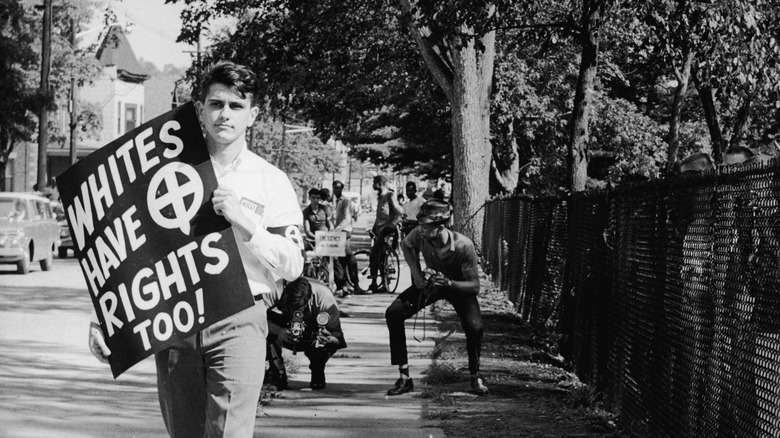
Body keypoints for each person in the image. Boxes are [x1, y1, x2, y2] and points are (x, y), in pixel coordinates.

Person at [87, 61, 305, 438]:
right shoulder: (166, 171)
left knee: (229, 434)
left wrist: (247, 224)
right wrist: (108, 320)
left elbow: (293, 264)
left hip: (239, 317)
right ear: (201, 109)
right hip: (176, 319)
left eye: (236, 106)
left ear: (253, 115)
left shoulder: (270, 180)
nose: (225, 114)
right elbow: (132, 250)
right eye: (216, 104)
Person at [385, 199, 489, 396]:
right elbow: (406, 245)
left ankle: (475, 376)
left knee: (475, 327)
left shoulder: (463, 246)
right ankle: (404, 377)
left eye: (425, 225)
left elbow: (474, 286)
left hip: (457, 287)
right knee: (394, 313)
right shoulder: (420, 234)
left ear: (441, 226)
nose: (420, 229)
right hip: (431, 284)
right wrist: (416, 275)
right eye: (420, 224)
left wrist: (449, 283)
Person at [264, 277, 347, 390]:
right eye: (292, 306)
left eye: (300, 307)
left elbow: (337, 335)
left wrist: (329, 340)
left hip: (312, 328)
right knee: (264, 327)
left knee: (323, 342)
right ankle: (277, 373)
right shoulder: (274, 289)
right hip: (284, 325)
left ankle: (318, 370)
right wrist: (278, 331)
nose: (296, 311)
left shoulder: (324, 297)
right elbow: (254, 316)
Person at [367, 175, 403, 294]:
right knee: (380, 256)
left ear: (379, 184)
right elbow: (380, 216)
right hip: (379, 229)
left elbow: (399, 211)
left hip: (387, 229)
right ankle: (383, 281)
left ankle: (373, 282)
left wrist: (392, 224)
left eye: (374, 182)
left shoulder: (389, 195)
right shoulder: (380, 196)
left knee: (374, 253)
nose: (372, 185)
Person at [332, 180, 363, 295]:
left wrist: (336, 230)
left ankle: (356, 284)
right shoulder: (337, 201)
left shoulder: (345, 201)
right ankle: (345, 285)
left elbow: (346, 219)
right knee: (341, 259)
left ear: (342, 188)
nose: (336, 190)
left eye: (339, 188)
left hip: (344, 231)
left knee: (349, 256)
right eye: (335, 188)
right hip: (339, 231)